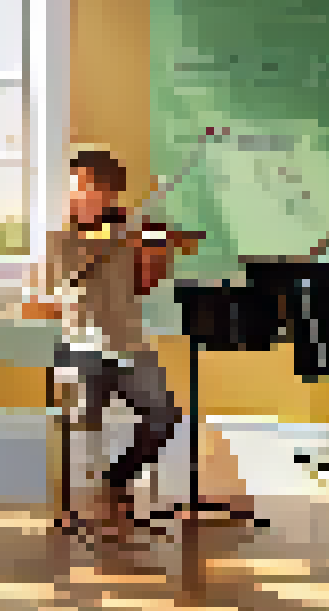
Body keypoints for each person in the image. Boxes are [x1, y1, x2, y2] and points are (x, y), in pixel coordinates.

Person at [16, 149, 211, 531]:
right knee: (84, 422)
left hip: (129, 346)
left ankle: (116, 480)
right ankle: (77, 503)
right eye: (77, 187)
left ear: (111, 194)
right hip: (82, 348)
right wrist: (72, 292)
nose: (81, 195)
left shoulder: (128, 234)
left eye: (91, 187)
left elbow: (142, 285)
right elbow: (46, 294)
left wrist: (157, 251)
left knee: (164, 417)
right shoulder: (60, 241)